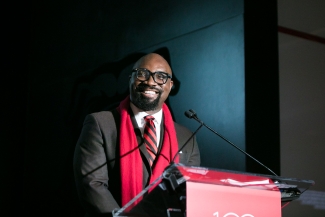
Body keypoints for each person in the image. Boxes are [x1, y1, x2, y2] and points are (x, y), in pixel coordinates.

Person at [73, 53, 200, 216]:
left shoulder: (187, 137)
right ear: (130, 78)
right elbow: (91, 184)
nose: (150, 82)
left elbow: (190, 192)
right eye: (142, 74)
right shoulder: (100, 124)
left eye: (160, 76)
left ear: (170, 85)